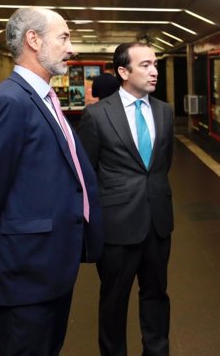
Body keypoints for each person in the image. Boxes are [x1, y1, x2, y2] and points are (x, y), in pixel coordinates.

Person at [0, 7, 103, 356]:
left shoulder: (43, 99)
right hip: (26, 270)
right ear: (33, 40)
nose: (72, 48)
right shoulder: (9, 101)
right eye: (64, 37)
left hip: (51, 265)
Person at [78, 42, 174, 356]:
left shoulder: (165, 111)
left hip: (158, 224)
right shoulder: (97, 116)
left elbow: (162, 166)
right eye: (145, 65)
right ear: (123, 71)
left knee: (156, 296)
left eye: (155, 64)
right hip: (117, 228)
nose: (154, 71)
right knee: (114, 301)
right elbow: (86, 174)